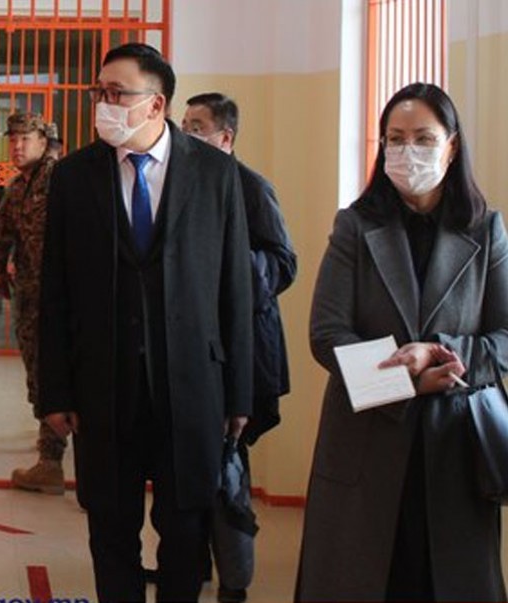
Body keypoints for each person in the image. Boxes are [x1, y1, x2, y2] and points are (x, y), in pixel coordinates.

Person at [38, 43, 254, 603]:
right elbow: (53, 291)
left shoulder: (215, 173)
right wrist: (53, 390)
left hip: (192, 387)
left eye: (117, 93)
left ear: (156, 104)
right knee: (111, 532)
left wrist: (240, 394)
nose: (103, 103)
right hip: (103, 387)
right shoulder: (74, 177)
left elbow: (235, 287)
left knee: (185, 534)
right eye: (100, 92)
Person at [296, 82, 508, 602]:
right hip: (366, 435)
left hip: (455, 440)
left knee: (447, 582)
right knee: (364, 579)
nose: (407, 151)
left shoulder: (486, 230)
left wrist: (436, 351)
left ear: (451, 146)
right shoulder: (355, 225)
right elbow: (327, 334)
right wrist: (408, 378)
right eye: (395, 138)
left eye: (423, 138)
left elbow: (505, 337)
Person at [182, 92, 297, 603]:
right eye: (183, 125)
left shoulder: (252, 188)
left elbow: (283, 264)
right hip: (195, 350)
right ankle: (193, 565)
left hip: (244, 351)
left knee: (228, 466)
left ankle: (234, 577)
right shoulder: (182, 185)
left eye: (197, 127)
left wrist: (226, 265)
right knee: (192, 464)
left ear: (225, 137)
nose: (186, 135)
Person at [0, 112, 66, 494]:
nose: (16, 146)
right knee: (39, 370)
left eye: (25, 139)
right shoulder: (19, 187)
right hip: (32, 296)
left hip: (60, 298)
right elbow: (2, 228)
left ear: (44, 143)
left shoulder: (59, 180)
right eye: (12, 139)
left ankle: (51, 463)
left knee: (52, 372)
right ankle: (51, 444)